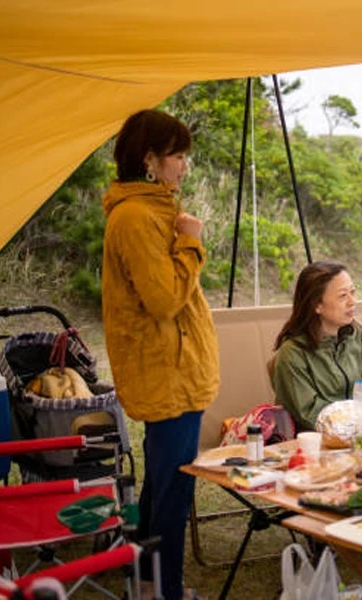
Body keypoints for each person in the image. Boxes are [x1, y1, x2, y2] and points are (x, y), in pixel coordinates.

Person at [101, 109, 219, 600]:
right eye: (177, 155)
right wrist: (191, 243)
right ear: (150, 159)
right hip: (163, 375)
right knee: (174, 487)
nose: (184, 166)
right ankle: (165, 589)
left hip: (177, 371)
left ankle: (144, 579)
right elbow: (165, 299)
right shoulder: (133, 218)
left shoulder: (154, 209)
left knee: (163, 481)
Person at [271, 261, 362, 430]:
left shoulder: (359, 335)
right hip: (316, 444)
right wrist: (358, 423)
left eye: (353, 293)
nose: (352, 302)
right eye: (342, 296)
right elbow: (311, 414)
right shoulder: (292, 355)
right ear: (317, 305)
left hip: (361, 434)